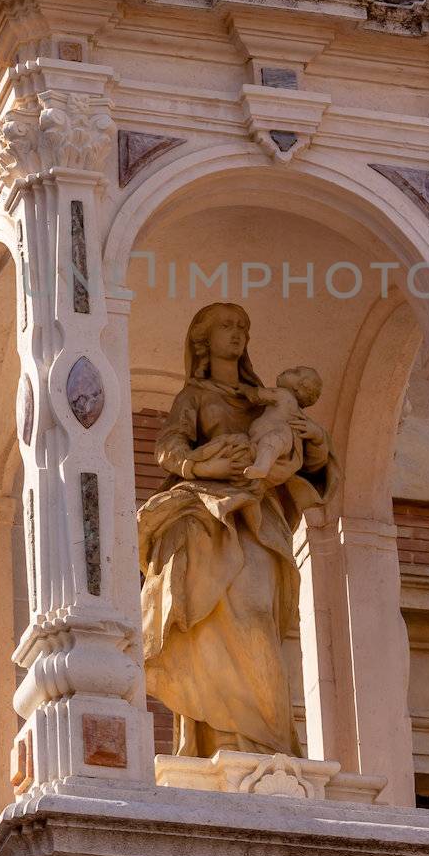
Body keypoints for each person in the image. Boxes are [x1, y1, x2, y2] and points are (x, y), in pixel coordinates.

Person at [137, 303, 337, 757]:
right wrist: (199, 463)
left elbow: (309, 466)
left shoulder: (264, 398)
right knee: (210, 623)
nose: (237, 333)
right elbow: (169, 446)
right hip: (206, 517)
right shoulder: (193, 397)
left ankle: (271, 743)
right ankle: (219, 740)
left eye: (243, 326)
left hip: (257, 519)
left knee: (257, 618)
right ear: (204, 340)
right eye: (227, 326)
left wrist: (317, 444)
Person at [242, 366, 324, 480]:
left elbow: (255, 395)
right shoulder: (299, 415)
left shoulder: (282, 394)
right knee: (272, 442)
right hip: (281, 440)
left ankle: (261, 467)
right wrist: (317, 434)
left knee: (272, 440)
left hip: (271, 432)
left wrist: (242, 387)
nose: (289, 369)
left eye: (296, 372)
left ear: (298, 386)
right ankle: (262, 466)